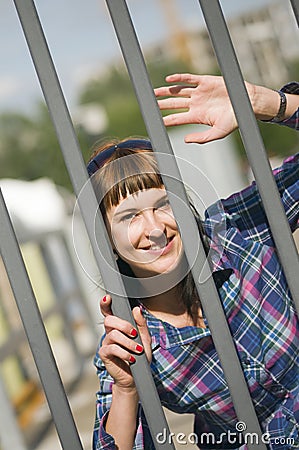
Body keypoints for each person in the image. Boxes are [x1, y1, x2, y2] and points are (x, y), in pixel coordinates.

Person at [89, 74, 299, 450]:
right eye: (129, 217)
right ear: (108, 243)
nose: (154, 228)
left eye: (162, 203)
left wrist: (271, 104)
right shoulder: (130, 338)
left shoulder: (232, 232)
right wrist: (125, 390)